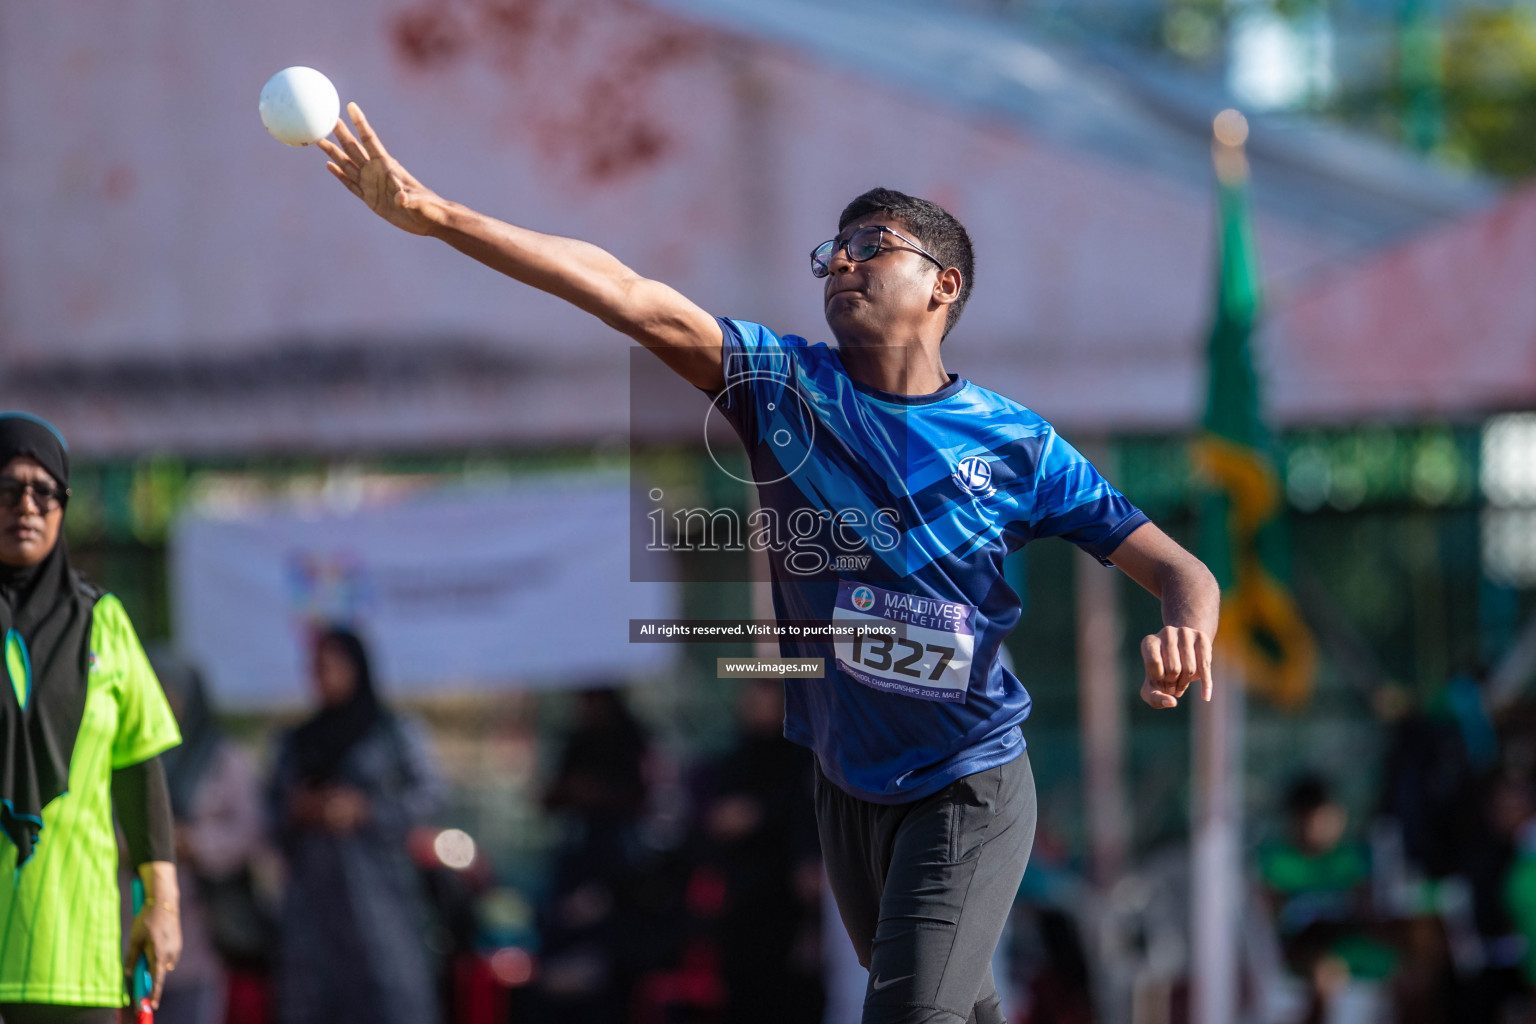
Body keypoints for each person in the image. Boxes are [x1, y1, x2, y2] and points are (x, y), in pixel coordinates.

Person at [316, 105, 1219, 1024]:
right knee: (959, 1005)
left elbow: (1183, 571)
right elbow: (624, 291)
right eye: (833, 250)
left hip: (970, 776)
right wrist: (433, 214)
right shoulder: (782, 388)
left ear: (944, 284)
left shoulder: (1016, 443)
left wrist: (1186, 629)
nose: (843, 263)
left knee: (912, 1013)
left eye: (874, 244)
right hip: (845, 784)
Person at [0, 412, 183, 1024]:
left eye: (43, 491)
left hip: (76, 958)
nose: (26, 505)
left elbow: (138, 770)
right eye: (6, 488)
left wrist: (162, 903)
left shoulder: (103, 621)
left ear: (62, 506)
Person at [266, 626, 444, 1024]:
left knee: (392, 997)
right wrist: (302, 809)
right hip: (313, 905)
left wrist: (367, 810)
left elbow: (429, 796)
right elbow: (270, 812)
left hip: (381, 896)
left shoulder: (392, 733)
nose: (321, 677)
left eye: (331, 666)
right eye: (315, 668)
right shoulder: (298, 741)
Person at [148, 651, 265, 1024]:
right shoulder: (127, 755)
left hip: (202, 923)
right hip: (133, 920)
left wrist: (193, 843)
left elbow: (249, 829)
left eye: (171, 691)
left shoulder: (221, 758)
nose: (163, 701)